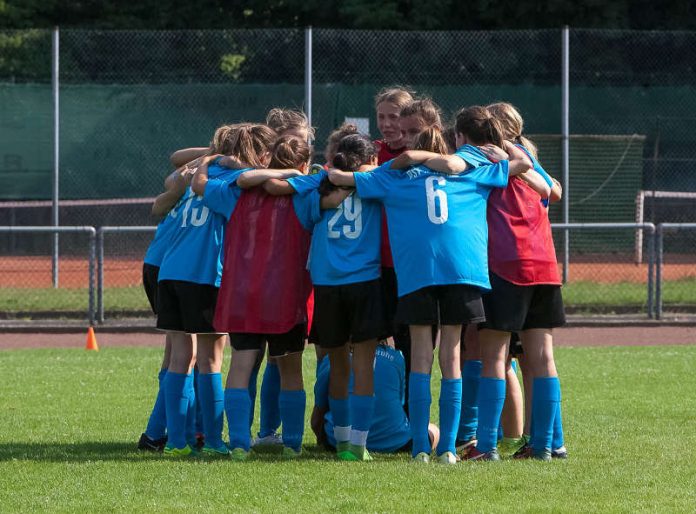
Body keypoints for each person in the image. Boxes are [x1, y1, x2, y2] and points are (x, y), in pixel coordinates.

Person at [327, 111, 533, 464]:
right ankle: (449, 448)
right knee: (451, 357)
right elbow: (520, 165)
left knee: (420, 358)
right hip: (462, 272)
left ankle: (422, 447)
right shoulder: (472, 172)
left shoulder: (396, 179)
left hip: (417, 274)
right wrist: (494, 151)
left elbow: (340, 177)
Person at [157, 123, 276, 458]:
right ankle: (212, 440)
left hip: (171, 272)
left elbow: (172, 183)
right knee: (211, 359)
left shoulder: (202, 172)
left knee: (181, 356)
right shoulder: (239, 182)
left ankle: (176, 442)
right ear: (260, 153)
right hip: (205, 274)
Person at [285, 134, 387, 461]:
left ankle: (343, 443)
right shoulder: (374, 181)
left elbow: (299, 209)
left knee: (337, 365)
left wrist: (322, 191)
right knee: (364, 367)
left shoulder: (318, 183)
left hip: (327, 284)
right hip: (366, 281)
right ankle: (359, 445)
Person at [484, 101, 567, 460]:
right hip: (545, 265)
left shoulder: (492, 164)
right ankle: (550, 443)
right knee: (541, 359)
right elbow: (554, 191)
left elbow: (551, 190)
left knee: (495, 356)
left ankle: (485, 445)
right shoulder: (532, 167)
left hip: (508, 266)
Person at [137, 163, 194, 452]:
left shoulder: (200, 176)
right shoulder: (214, 178)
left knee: (176, 352)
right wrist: (212, 153)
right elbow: (173, 163)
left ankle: (163, 431)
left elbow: (161, 197)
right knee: (188, 353)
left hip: (160, 263)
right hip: (173, 266)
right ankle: (164, 432)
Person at [311, 340, 440, 454]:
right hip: (394, 440)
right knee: (433, 429)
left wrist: (322, 440)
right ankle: (446, 446)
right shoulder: (396, 358)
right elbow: (399, 403)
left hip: (337, 440)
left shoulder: (333, 360)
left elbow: (317, 418)